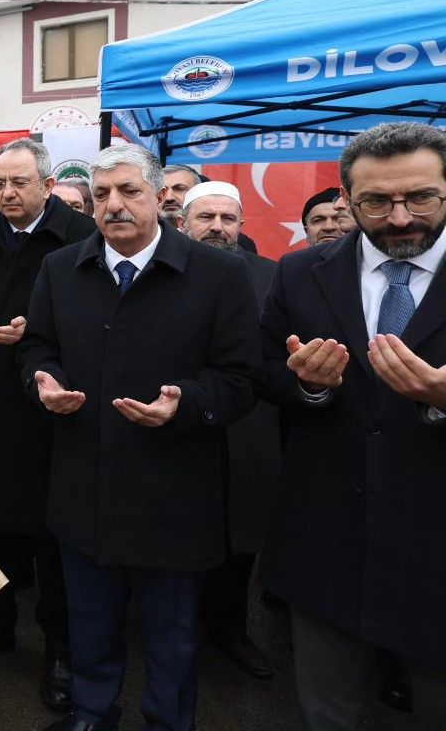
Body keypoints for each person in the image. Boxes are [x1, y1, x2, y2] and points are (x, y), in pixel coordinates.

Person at [18, 144, 259, 731]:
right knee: (90, 625)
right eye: (101, 194)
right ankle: (92, 714)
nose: (114, 205)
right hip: (84, 486)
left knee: (171, 636)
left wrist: (185, 404)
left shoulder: (219, 273)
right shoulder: (60, 269)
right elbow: (37, 348)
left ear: (160, 196)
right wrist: (42, 381)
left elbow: (241, 379)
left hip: (173, 494)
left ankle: (169, 722)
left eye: (129, 191)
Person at [258, 123, 446, 730]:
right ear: (347, 198)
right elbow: (264, 373)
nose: (400, 218)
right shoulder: (299, 272)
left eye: (421, 197)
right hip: (329, 541)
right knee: (327, 713)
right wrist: (309, 385)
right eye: (376, 202)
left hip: (438, 545)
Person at [0, 137, 96, 711]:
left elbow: (96, 317)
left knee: (53, 537)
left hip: (53, 406)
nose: (6, 194)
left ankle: (61, 647)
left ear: (48, 186)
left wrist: (35, 330)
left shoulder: (81, 236)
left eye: (19, 183)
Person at [176, 181, 280, 680]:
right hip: (178, 420)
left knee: (239, 535)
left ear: (241, 225)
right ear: (183, 223)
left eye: (228, 219)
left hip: (248, 425)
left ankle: (230, 627)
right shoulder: (160, 270)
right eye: (206, 218)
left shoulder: (272, 276)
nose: (217, 228)